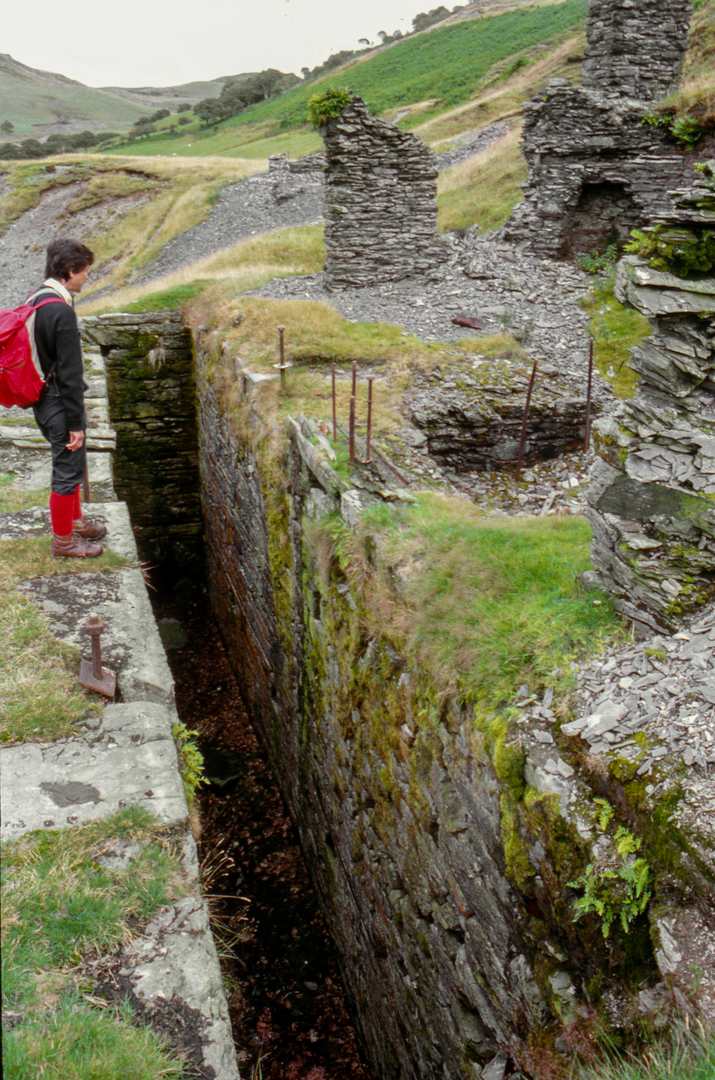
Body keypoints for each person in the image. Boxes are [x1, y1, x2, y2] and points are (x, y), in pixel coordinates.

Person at [30, 238, 107, 557]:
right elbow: (71, 374)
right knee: (66, 470)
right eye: (85, 270)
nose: (87, 276)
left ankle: (75, 523)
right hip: (60, 402)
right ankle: (64, 541)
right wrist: (76, 423)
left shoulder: (38, 299)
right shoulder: (61, 311)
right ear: (71, 270)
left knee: (71, 467)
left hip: (43, 398)